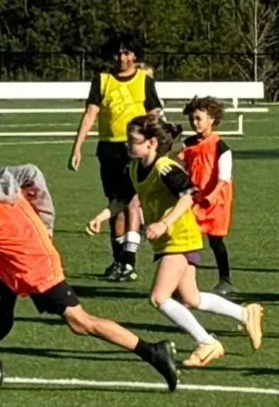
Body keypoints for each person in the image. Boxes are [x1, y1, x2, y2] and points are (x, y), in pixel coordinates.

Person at [0, 141, 180, 391]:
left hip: (33, 268)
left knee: (81, 323)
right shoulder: (0, 178)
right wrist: (45, 223)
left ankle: (153, 352)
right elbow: (32, 172)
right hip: (14, 262)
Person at [87, 114, 265, 368]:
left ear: (151, 143)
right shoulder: (136, 167)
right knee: (191, 298)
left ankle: (207, 342)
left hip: (180, 239)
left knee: (159, 297)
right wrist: (102, 217)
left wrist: (164, 223)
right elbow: (124, 199)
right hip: (167, 241)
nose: (128, 144)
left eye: (133, 140)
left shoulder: (165, 167)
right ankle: (244, 313)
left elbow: (188, 195)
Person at [69, 31, 162, 282]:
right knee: (115, 206)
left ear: (135, 56)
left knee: (133, 202)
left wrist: (154, 143)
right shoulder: (102, 80)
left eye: (127, 52)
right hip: (108, 149)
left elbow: (154, 113)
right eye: (118, 52)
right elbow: (90, 114)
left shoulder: (144, 80)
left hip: (135, 150)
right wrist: (77, 147)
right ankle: (118, 259)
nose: (122, 58)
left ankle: (129, 261)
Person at [179, 96, 236, 295]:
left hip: (216, 202)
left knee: (216, 241)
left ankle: (225, 280)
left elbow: (224, 178)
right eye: (192, 119)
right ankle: (183, 281)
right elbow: (181, 166)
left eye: (198, 119)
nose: (194, 123)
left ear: (211, 119)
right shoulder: (188, 144)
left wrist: (212, 196)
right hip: (195, 200)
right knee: (187, 238)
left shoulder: (221, 146)